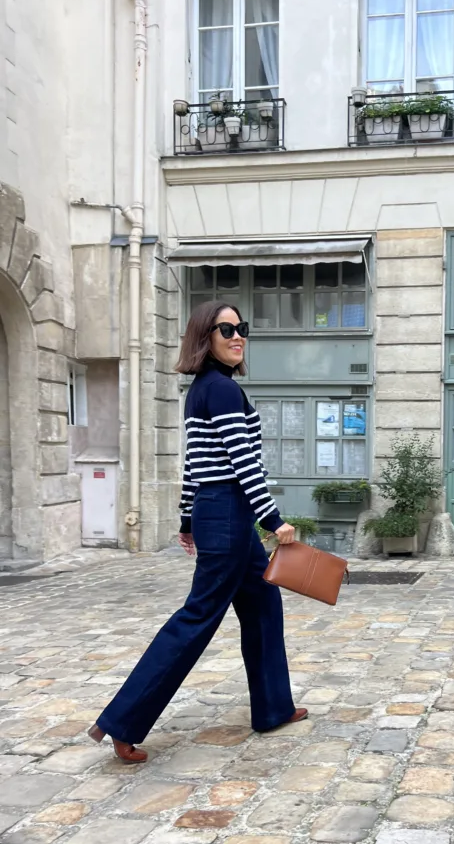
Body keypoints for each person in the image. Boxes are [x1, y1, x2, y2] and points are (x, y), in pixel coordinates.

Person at [88, 300, 307, 763]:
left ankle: (273, 708)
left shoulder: (203, 391)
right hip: (230, 513)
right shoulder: (222, 392)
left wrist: (187, 519)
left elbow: (196, 464)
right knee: (198, 617)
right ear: (203, 337)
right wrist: (273, 521)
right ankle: (121, 721)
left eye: (241, 328)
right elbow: (241, 464)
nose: (236, 336)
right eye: (225, 329)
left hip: (221, 515)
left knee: (264, 603)